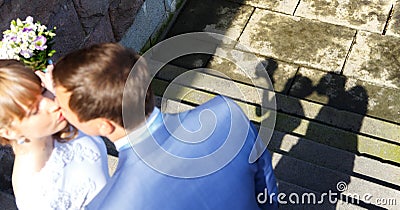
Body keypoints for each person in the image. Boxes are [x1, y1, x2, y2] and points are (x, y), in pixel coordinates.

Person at [52, 43, 279, 209]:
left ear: (104, 126)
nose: (58, 110)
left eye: (63, 107)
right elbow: (267, 191)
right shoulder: (227, 115)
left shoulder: (109, 205)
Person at [0, 60, 110, 209]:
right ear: (9, 131)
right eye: (34, 110)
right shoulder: (34, 195)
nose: (53, 105)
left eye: (43, 91)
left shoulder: (62, 120)